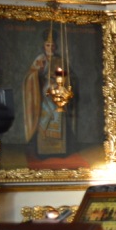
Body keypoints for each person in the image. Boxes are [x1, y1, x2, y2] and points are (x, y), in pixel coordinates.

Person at [22, 26, 76, 157]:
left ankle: (59, 150)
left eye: (52, 45)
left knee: (58, 115)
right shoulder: (39, 59)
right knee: (44, 117)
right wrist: (38, 72)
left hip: (57, 93)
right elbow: (29, 77)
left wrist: (60, 79)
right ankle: (43, 151)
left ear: (55, 47)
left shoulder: (60, 60)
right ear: (44, 46)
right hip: (42, 94)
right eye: (47, 45)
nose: (50, 48)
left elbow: (69, 77)